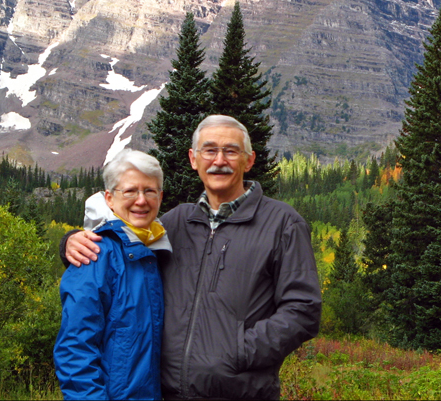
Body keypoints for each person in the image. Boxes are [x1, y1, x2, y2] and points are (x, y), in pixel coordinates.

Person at [62, 115, 321, 400]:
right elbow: (123, 243)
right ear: (193, 159)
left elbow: (303, 309)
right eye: (209, 150)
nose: (219, 160)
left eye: (231, 151)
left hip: (241, 392)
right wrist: (71, 240)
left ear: (248, 161)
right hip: (164, 393)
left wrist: (237, 352)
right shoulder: (174, 223)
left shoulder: (283, 223)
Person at [54, 149, 172, 400]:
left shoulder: (161, 249)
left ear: (160, 197)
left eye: (150, 191)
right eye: (129, 191)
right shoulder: (94, 254)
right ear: (109, 198)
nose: (141, 200)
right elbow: (75, 350)